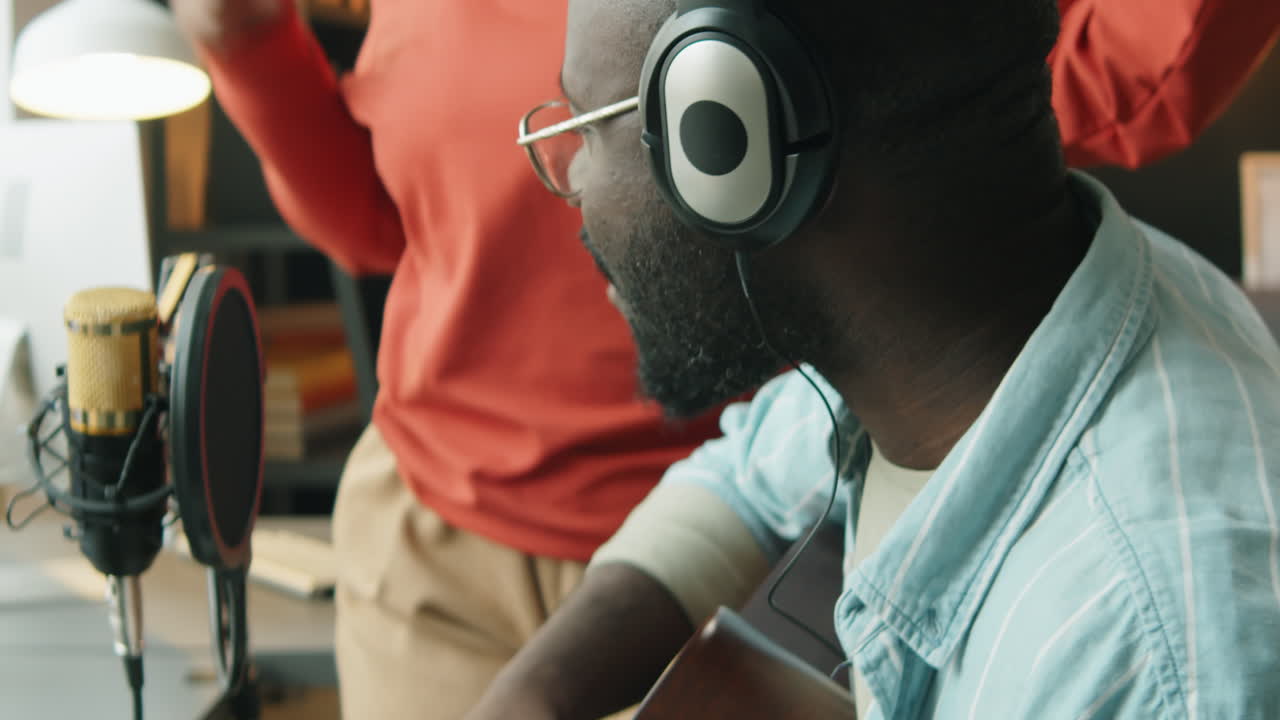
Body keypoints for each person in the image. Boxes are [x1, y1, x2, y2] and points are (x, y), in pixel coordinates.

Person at [169, 0, 1278, 716]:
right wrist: (534, 698)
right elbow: (751, 471)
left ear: (737, 148)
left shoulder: (1149, 658)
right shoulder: (923, 351)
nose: (562, 178)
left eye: (585, 125)